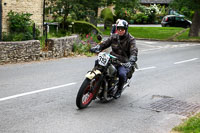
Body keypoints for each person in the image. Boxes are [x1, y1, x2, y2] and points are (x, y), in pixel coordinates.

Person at [91, 20, 138, 99]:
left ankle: (119, 90)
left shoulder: (131, 40)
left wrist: (131, 61)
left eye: (122, 29)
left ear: (125, 29)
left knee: (122, 74)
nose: (120, 30)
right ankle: (95, 80)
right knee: (98, 62)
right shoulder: (114, 36)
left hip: (122, 62)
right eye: (118, 28)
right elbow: (105, 43)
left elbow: (134, 51)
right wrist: (98, 47)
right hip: (112, 58)